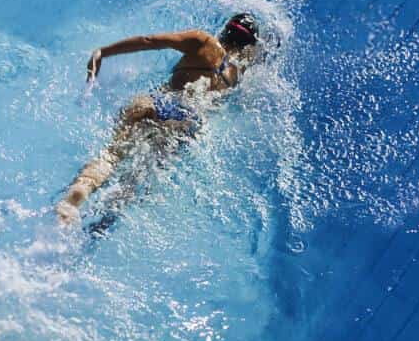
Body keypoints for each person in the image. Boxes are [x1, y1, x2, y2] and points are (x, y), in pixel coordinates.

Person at [57, 12, 264, 229]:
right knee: (135, 179)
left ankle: (81, 190)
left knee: (112, 155)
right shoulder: (233, 76)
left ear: (225, 30)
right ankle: (100, 226)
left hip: (157, 103)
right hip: (183, 123)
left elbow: (149, 41)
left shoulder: (204, 42)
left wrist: (102, 52)